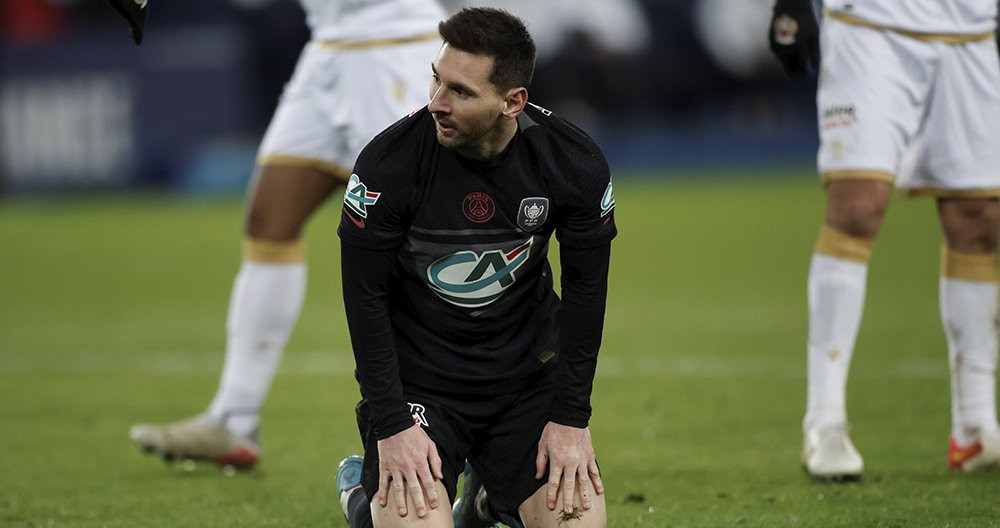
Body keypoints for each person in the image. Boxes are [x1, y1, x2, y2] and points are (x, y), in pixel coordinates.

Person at [119, 0, 447, 469]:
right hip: (330, 49)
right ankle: (234, 417)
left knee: (431, 239)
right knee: (268, 222)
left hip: (393, 47)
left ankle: (487, 435)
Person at [336, 7, 614, 528]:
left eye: (461, 92)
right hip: (421, 387)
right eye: (436, 81)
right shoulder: (388, 164)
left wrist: (571, 417)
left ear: (513, 102)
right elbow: (364, 297)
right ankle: (361, 493)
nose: (437, 103)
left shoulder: (570, 162)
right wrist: (391, 426)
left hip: (527, 382)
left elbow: (586, 293)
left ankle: (486, 502)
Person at [769, 0, 1000, 479]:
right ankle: (825, 421)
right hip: (870, 21)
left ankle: (974, 427)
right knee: (858, 206)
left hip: (972, 25)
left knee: (980, 219)